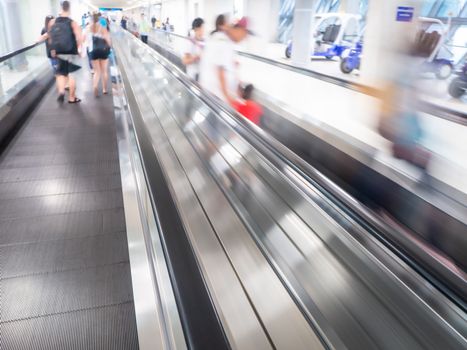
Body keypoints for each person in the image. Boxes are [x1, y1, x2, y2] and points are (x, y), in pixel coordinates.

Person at [199, 17, 250, 105]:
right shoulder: (222, 41)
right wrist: (229, 100)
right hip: (215, 97)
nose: (245, 38)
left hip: (215, 96)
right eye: (244, 34)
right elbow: (220, 72)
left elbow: (225, 66)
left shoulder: (225, 41)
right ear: (238, 30)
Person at [48, 0, 83, 104]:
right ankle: (72, 98)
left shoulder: (52, 22)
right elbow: (79, 38)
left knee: (60, 73)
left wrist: (53, 49)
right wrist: (79, 49)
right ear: (69, 9)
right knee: (72, 75)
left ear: (61, 8)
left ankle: (61, 91)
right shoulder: (72, 22)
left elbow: (50, 37)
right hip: (71, 52)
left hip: (59, 52)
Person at [84, 12, 111, 97]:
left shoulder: (88, 28)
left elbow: (83, 39)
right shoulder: (102, 27)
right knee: (104, 71)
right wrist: (110, 47)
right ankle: (104, 89)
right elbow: (108, 39)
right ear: (98, 19)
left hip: (93, 51)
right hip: (103, 50)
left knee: (97, 71)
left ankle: (95, 86)